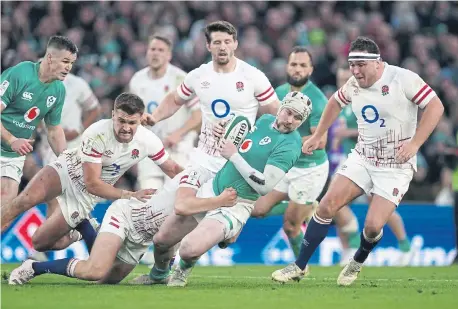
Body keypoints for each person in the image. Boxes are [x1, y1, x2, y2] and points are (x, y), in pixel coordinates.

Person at [271, 36, 444, 286]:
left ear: (377, 62)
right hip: (363, 159)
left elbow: (436, 106)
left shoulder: (402, 78)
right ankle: (299, 266)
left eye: (361, 64)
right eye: (352, 65)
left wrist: (415, 143)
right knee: (326, 206)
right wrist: (319, 134)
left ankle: (357, 260)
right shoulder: (354, 83)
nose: (355, 70)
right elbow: (334, 103)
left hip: (395, 166)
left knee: (373, 227)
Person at [130, 20, 279, 281]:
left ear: (235, 44)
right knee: (162, 237)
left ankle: (223, 233)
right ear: (208, 46)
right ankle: (159, 274)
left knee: (222, 235)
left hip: (235, 167)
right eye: (217, 42)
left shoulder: (252, 76)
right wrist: (155, 116)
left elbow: (275, 115)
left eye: (227, 41)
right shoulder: (199, 76)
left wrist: (257, 142)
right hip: (202, 161)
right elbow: (176, 99)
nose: (223, 47)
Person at [148, 91, 310, 287]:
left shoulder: (291, 145)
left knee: (188, 249)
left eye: (298, 117)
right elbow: (242, 141)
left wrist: (233, 155)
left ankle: (182, 270)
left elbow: (265, 186)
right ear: (281, 108)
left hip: (236, 204)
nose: (290, 120)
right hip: (213, 188)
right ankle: (157, 275)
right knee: (161, 240)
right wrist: (222, 132)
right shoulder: (265, 119)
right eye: (288, 112)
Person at [0, 93, 183, 255]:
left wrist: (197, 183)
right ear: (113, 115)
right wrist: (129, 194)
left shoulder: (148, 141)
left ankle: (77, 233)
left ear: (141, 119)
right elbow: (92, 182)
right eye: (121, 121)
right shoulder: (97, 133)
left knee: (39, 243)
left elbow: (173, 169)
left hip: (84, 197)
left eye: (132, 122)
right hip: (68, 169)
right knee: (22, 201)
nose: (126, 128)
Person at [8, 182, 238, 285]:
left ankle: (87, 227)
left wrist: (225, 230)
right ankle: (32, 268)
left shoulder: (230, 190)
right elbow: (180, 210)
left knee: (107, 279)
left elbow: (227, 231)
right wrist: (219, 203)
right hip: (129, 215)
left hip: (143, 236)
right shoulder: (201, 176)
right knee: (94, 270)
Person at [250, 46, 329, 260]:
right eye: (294, 64)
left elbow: (320, 141)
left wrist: (289, 141)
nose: (297, 69)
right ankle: (306, 205)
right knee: (257, 209)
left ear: (311, 70)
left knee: (291, 226)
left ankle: (300, 268)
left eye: (303, 65)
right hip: (287, 165)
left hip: (309, 169)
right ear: (287, 66)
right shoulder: (279, 93)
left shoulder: (318, 100)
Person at [332, 66, 414, 266]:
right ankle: (348, 249)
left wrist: (347, 134)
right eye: (340, 77)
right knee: (335, 203)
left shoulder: (365, 98)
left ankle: (405, 247)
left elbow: (377, 131)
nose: (343, 81)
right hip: (348, 159)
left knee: (377, 206)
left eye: (346, 77)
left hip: (372, 159)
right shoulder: (341, 103)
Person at [0, 36, 78, 219]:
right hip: (11, 144)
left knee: (5, 211)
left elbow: (53, 130)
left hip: (12, 156)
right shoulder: (21, 73)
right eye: (65, 61)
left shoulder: (58, 90)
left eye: (72, 63)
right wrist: (12, 140)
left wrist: (67, 161)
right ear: (50, 57)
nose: (69, 67)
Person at [129, 34, 201, 190]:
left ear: (169, 55)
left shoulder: (181, 79)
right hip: (149, 148)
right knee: (148, 198)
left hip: (178, 146)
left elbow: (198, 116)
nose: (156, 53)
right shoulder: (137, 80)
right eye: (152, 49)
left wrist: (178, 134)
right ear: (147, 52)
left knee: (177, 199)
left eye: (161, 50)